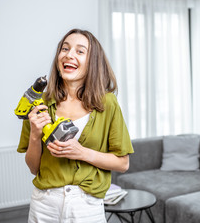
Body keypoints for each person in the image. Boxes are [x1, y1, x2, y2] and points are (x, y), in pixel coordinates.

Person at [17, 28, 134, 223]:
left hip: (86, 206)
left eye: (80, 51)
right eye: (65, 49)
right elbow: (33, 167)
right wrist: (36, 136)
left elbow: (123, 163)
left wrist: (81, 152)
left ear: (93, 62)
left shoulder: (107, 103)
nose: (69, 55)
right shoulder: (40, 102)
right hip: (44, 205)